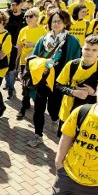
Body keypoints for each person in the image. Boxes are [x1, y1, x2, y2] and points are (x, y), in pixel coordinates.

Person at [27, 10, 82, 147]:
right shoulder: (44, 39)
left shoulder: (72, 41)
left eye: (59, 21)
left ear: (65, 23)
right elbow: (34, 57)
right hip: (43, 80)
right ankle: (37, 135)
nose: (56, 24)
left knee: (54, 107)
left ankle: (54, 118)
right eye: (53, 21)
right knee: (38, 108)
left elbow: (76, 62)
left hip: (59, 82)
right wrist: (41, 65)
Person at [54, 34, 98, 135]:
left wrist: (94, 93)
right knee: (64, 139)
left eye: (94, 50)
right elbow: (58, 85)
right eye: (87, 49)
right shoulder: (72, 64)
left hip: (90, 114)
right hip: (68, 111)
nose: (89, 52)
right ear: (82, 48)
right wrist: (73, 92)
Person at [16, 8, 46, 120]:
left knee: (34, 85)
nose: (28, 18)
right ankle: (24, 106)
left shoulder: (42, 30)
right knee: (25, 85)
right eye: (26, 16)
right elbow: (19, 46)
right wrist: (17, 62)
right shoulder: (23, 30)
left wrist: (33, 44)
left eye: (31, 16)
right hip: (25, 62)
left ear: (37, 18)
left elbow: (47, 46)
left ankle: (30, 106)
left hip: (37, 63)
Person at [4, 0, 27, 99]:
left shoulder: (25, 17)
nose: (13, 7)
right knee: (5, 68)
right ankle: (9, 83)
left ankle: (11, 89)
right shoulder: (7, 15)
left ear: (21, 5)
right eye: (12, 5)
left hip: (18, 46)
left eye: (16, 5)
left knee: (13, 69)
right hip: (5, 45)